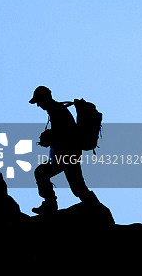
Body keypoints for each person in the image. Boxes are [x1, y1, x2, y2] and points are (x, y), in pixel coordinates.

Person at [29, 86, 97, 214]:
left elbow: (66, 133)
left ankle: (50, 205)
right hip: (69, 154)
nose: (38, 105)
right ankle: (94, 206)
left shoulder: (57, 111)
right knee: (78, 186)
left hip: (67, 155)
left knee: (41, 173)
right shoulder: (57, 110)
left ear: (45, 98)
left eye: (38, 101)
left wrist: (49, 137)